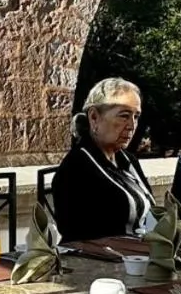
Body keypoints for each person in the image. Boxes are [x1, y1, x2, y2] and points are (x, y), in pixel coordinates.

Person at [50, 77, 153, 242]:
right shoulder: (76, 169)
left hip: (138, 258)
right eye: (124, 116)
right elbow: (77, 235)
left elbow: (150, 211)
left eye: (136, 117)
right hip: (99, 263)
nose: (132, 125)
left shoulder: (127, 160)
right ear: (94, 117)